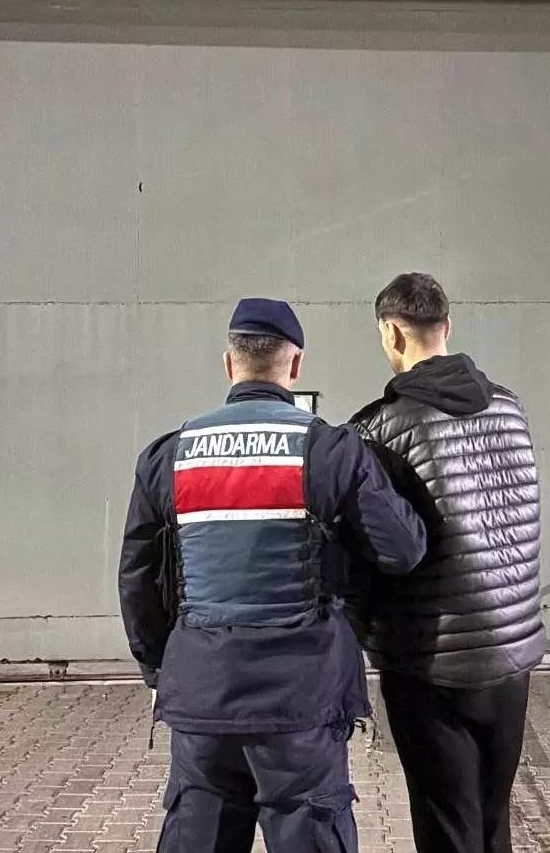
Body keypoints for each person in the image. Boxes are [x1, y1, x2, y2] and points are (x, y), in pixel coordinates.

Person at [119, 297, 426, 853]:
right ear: (296, 364)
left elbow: (138, 579)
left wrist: (163, 667)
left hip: (204, 694)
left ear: (229, 364)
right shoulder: (331, 450)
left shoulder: (169, 456)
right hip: (302, 700)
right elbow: (403, 551)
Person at [350, 273, 546, 853]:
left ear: (392, 333)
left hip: (431, 663)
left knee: (447, 828)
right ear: (447, 327)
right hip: (512, 654)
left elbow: (376, 550)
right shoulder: (510, 408)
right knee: (492, 822)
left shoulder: (383, 428)